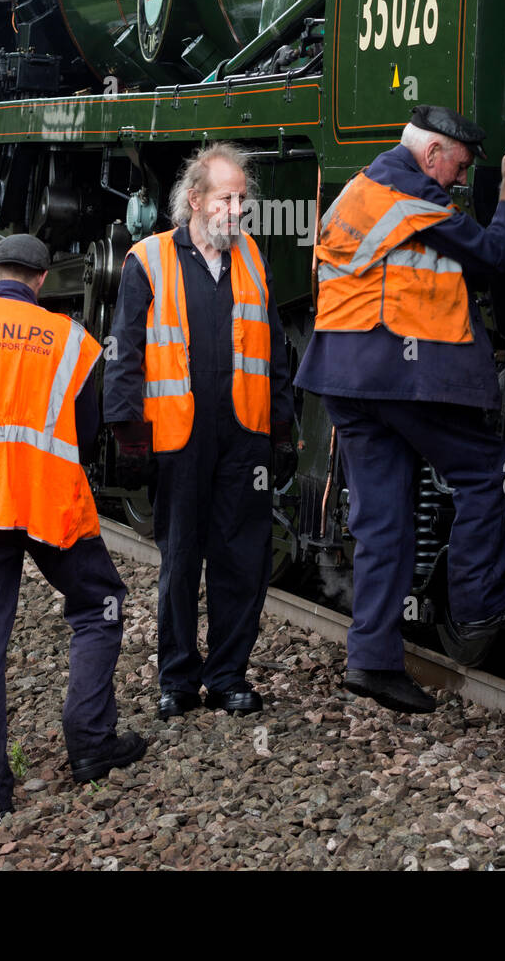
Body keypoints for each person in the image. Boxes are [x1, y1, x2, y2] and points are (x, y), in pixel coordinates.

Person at [295, 106, 505, 714]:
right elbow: (476, 256)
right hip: (394, 372)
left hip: (345, 379)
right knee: (483, 472)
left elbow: (421, 263)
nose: (460, 179)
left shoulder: (367, 185)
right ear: (432, 154)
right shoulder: (408, 191)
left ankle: (372, 660)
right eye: (458, 165)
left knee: (384, 524)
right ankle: (480, 607)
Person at [0, 233, 145, 821]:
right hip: (50, 506)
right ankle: (91, 743)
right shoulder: (75, 342)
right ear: (42, 281)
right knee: (101, 604)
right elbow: (87, 434)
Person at [103, 143, 296, 720]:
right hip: (179, 436)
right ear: (195, 199)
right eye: (227, 197)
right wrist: (129, 437)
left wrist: (282, 430)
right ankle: (179, 679)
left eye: (244, 198)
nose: (238, 209)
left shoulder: (254, 259)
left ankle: (229, 676)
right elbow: (124, 354)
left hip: (244, 435)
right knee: (181, 559)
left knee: (243, 559)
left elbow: (276, 352)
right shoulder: (150, 259)